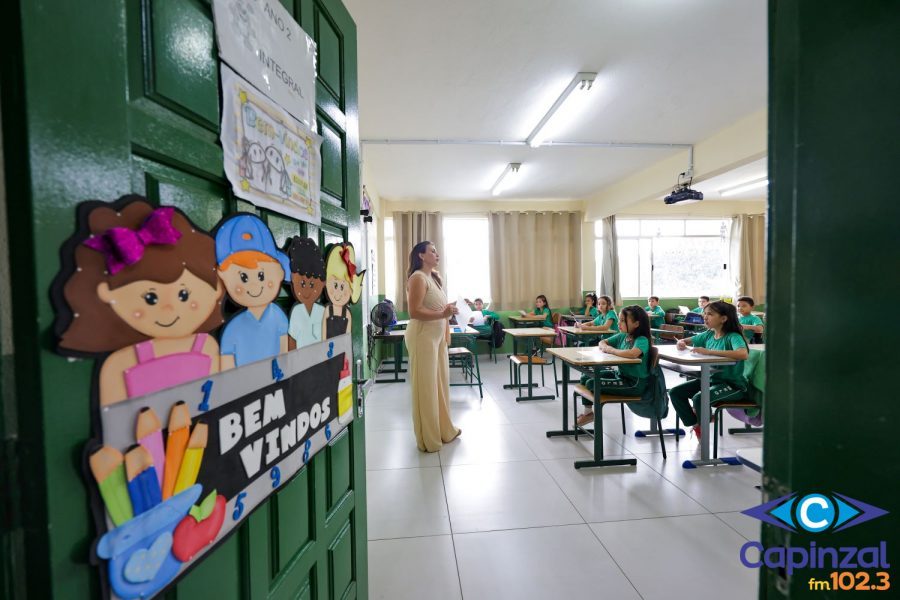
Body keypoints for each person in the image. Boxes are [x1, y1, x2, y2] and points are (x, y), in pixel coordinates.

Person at [55, 198, 224, 406]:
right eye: (150, 298)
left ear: (216, 290)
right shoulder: (122, 361)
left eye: (184, 295)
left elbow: (216, 402)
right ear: (106, 293)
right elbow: (112, 424)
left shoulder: (206, 345)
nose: (169, 308)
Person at [404, 241, 461, 452]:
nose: (437, 254)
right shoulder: (417, 277)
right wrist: (442, 314)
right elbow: (414, 311)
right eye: (432, 251)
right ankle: (428, 439)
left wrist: (448, 309)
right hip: (423, 338)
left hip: (436, 338)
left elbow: (435, 307)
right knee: (426, 388)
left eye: (436, 251)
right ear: (421, 255)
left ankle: (444, 430)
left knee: (440, 385)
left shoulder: (433, 279)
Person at [215, 214, 290, 369]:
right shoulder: (233, 327)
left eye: (261, 275)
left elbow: (284, 352)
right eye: (243, 277)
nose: (255, 285)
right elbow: (226, 368)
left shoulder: (278, 316)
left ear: (280, 274)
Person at [668, 301, 749, 438]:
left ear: (723, 319)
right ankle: (697, 424)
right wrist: (682, 343)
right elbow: (688, 341)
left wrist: (709, 351)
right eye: (704, 314)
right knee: (676, 392)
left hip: (733, 385)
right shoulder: (709, 334)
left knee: (700, 398)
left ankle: (703, 425)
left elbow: (743, 353)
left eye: (710, 314)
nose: (705, 317)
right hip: (711, 380)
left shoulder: (732, 336)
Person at [576, 306, 653, 426]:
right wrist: (606, 347)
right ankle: (588, 413)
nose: (619, 323)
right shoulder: (623, 336)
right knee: (585, 376)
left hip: (634, 383)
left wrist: (611, 350)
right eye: (619, 320)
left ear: (636, 323)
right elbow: (602, 342)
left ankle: (589, 414)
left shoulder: (641, 339)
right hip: (621, 375)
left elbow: (633, 353)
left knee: (592, 384)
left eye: (623, 320)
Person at [287, 236, 326, 349]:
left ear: (323, 283)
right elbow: (292, 341)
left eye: (312, 284)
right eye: (302, 284)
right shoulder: (297, 311)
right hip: (301, 364)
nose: (307, 290)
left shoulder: (323, 311)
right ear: (294, 279)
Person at [322, 243, 366, 338]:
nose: (338, 292)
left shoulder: (347, 313)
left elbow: (347, 337)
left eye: (342, 287)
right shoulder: (327, 311)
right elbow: (323, 336)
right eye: (335, 285)